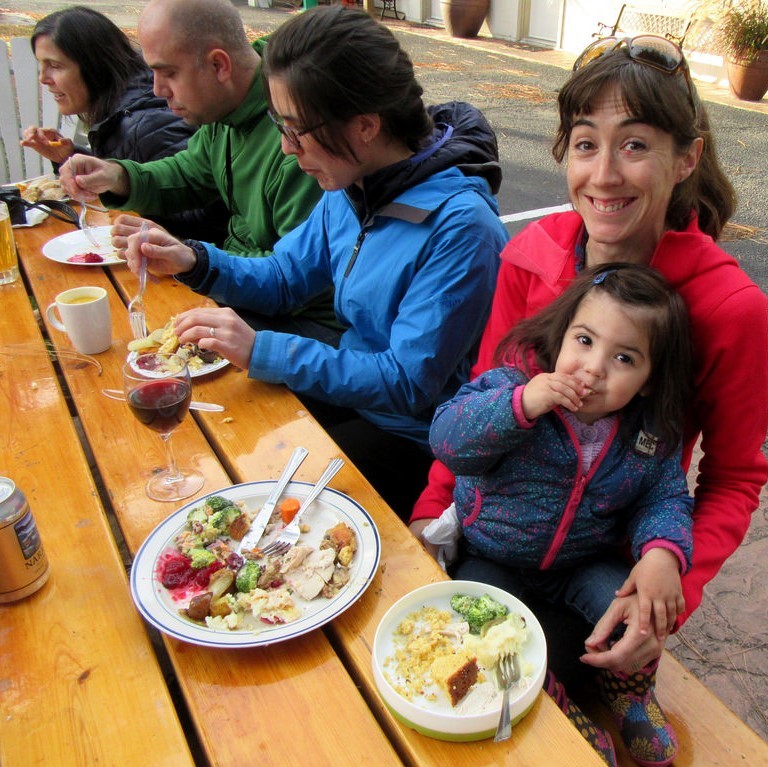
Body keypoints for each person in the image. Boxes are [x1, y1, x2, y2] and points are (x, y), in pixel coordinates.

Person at [410, 34, 768, 766]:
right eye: (584, 144)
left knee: (556, 691)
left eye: (634, 145)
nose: (603, 175)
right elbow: (479, 402)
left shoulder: (728, 306)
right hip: (499, 541)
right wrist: (431, 512)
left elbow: (731, 477)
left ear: (687, 158)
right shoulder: (529, 254)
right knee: (474, 678)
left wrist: (669, 586)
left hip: (606, 559)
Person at [117, 6, 508, 518]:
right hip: (352, 398)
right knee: (214, 439)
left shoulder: (461, 228)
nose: (284, 147)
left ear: (366, 125)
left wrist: (264, 349)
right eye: (280, 124)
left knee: (255, 506)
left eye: (297, 130)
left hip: (412, 438)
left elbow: (407, 384)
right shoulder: (355, 185)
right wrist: (194, 261)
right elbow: (284, 278)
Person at [430, 264, 694, 765]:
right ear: (562, 335)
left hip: (581, 559)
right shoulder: (510, 385)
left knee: (634, 608)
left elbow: (664, 497)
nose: (594, 368)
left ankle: (631, 694)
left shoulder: (649, 432)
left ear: (646, 381)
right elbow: (448, 440)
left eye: (624, 357)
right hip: (493, 555)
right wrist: (520, 405)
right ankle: (552, 706)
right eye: (585, 340)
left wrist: (663, 554)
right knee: (483, 629)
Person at [57, 0, 327, 324]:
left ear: (218, 65)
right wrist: (119, 176)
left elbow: (296, 283)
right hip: (237, 293)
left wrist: (190, 258)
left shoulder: (297, 146)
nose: (158, 90)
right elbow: (190, 172)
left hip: (298, 322)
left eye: (168, 72)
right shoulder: (225, 107)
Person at [21, 6, 227, 244]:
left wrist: (131, 203)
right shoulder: (119, 111)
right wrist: (67, 156)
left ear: (93, 67)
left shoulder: (145, 125)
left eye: (55, 65)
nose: (43, 78)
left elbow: (207, 217)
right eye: (41, 65)